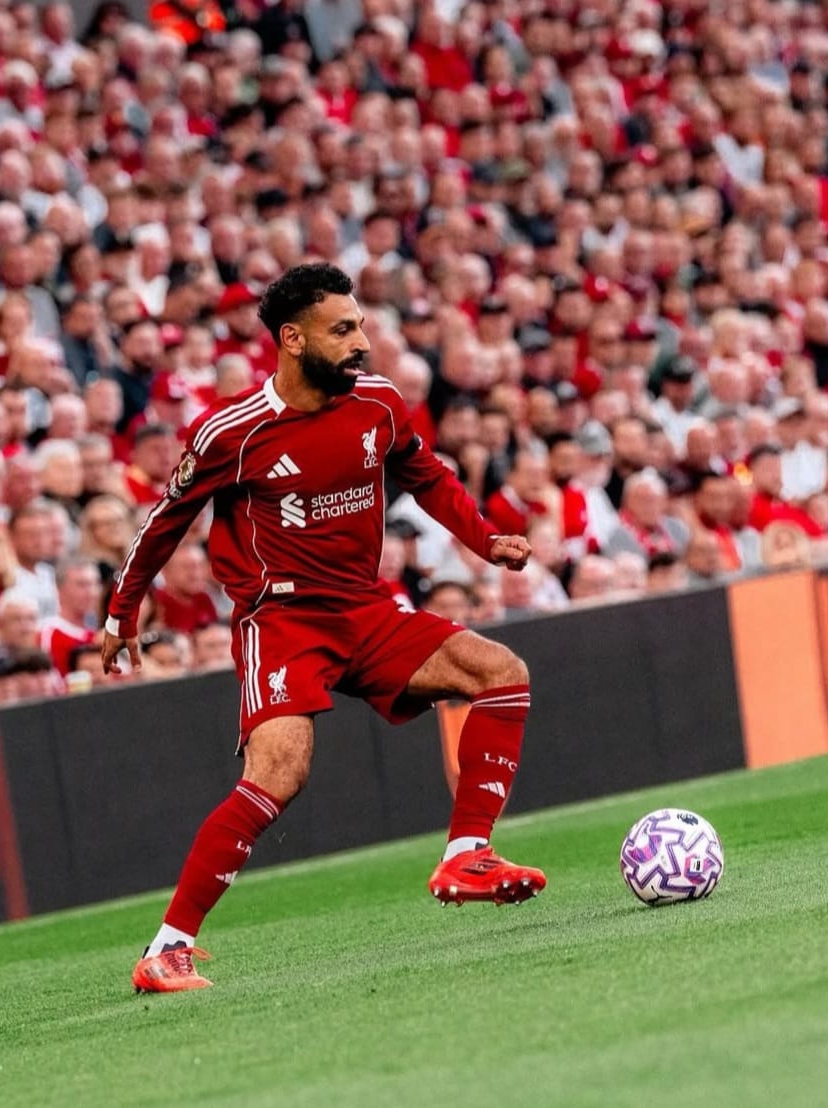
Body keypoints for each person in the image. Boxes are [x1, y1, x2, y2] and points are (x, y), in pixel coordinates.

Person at [103, 264, 543, 993]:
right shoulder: (232, 430)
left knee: (500, 673)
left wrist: (484, 539)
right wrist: (123, 611)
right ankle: (167, 949)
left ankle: (467, 855)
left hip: (364, 608)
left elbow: (426, 474)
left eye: (360, 325)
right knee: (279, 772)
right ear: (292, 339)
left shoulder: (378, 402)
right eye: (343, 330)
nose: (361, 342)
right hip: (281, 619)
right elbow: (164, 522)